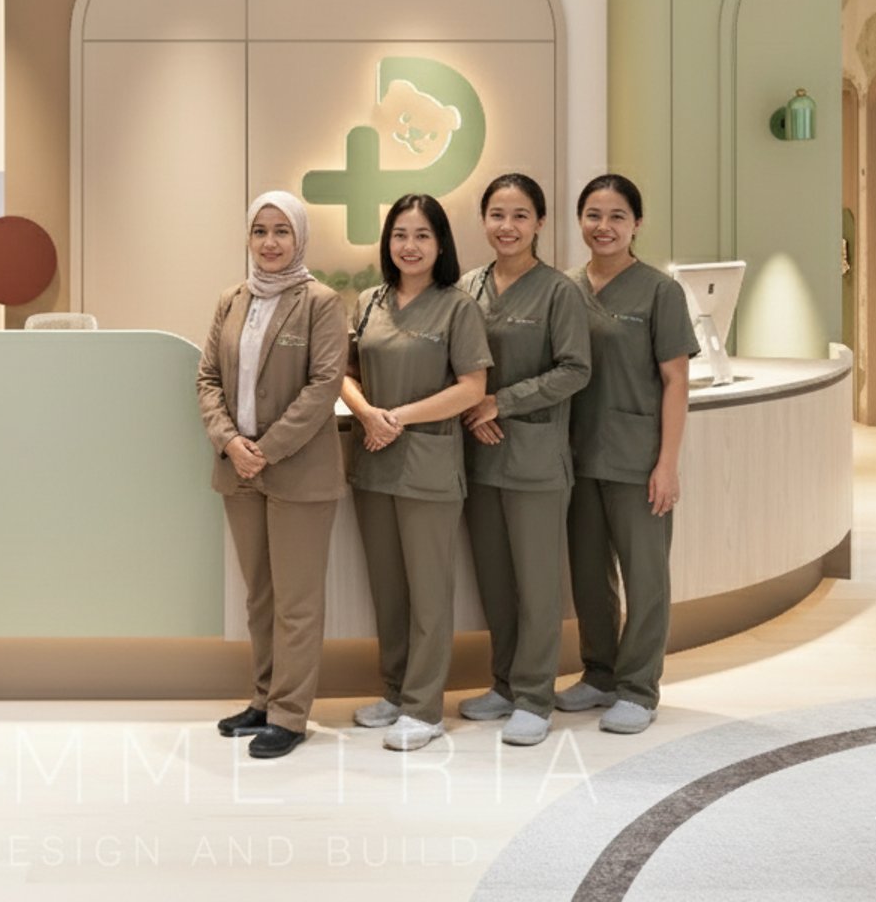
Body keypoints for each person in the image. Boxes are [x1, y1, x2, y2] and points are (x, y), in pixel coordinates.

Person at [195, 191, 348, 760]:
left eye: (282, 231)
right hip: (239, 472)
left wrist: (267, 447)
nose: (270, 242)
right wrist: (230, 442)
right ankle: (262, 698)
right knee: (260, 596)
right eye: (260, 230)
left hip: (299, 474)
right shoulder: (231, 301)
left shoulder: (322, 302)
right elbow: (207, 377)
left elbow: (324, 385)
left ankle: (290, 713)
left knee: (297, 601)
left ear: (300, 237)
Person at [342, 194, 493, 752]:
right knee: (389, 589)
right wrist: (366, 414)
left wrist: (396, 417)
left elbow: (472, 389)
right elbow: (344, 372)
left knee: (430, 591)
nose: (409, 245)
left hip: (428, 463)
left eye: (422, 235)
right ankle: (395, 691)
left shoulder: (457, 307)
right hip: (375, 463)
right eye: (400, 234)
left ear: (441, 244)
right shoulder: (368, 301)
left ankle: (425, 709)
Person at [559, 174, 699, 735]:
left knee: (645, 578)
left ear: (636, 224)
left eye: (617, 216)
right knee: (590, 576)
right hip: (574, 456)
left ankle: (639, 688)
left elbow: (676, 381)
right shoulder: (564, 288)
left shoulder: (660, 292)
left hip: (637, 459)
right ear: (579, 221)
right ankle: (600, 673)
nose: (604, 227)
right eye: (593, 215)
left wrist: (667, 463)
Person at [455, 174, 591, 747]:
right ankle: (506, 683)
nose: (506, 226)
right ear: (482, 221)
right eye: (495, 215)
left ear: (539, 223)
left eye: (518, 215)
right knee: (495, 579)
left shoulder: (559, 292)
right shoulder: (466, 287)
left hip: (534, 459)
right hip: (477, 460)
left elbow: (575, 369)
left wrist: (499, 403)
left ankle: (536, 696)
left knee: (537, 585)